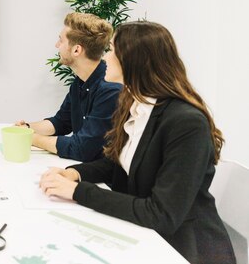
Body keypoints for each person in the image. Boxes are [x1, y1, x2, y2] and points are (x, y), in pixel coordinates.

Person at [39, 21, 235, 264]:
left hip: (183, 249)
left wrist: (79, 192)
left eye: (112, 50)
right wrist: (74, 174)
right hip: (143, 235)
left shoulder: (186, 123)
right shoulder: (136, 106)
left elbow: (161, 214)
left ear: (133, 60)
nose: (106, 57)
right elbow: (118, 165)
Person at [15, 12, 122, 161]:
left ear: (76, 50)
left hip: (102, 180)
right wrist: (26, 128)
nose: (56, 45)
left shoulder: (111, 89)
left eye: (60, 40)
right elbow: (61, 122)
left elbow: (82, 148)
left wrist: (30, 138)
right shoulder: (79, 82)